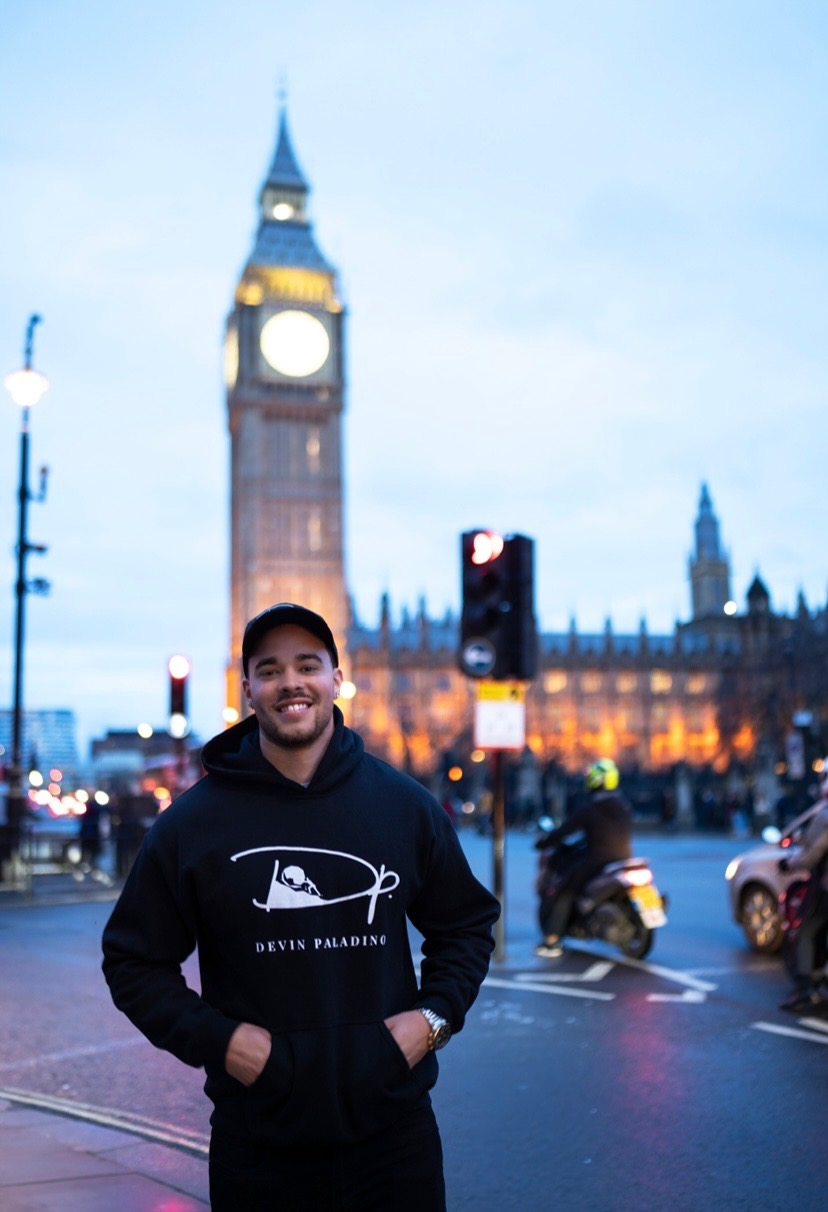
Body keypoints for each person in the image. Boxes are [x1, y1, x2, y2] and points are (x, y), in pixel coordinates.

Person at [102, 603, 499, 1211]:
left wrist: (434, 1019)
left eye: (307, 666)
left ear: (336, 679)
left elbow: (466, 925)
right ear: (248, 689)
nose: (291, 682)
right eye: (270, 670)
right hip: (259, 1145)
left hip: (394, 1138)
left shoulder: (403, 805)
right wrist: (221, 1040)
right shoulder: (193, 824)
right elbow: (133, 961)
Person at [534, 757, 633, 958]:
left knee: (564, 890)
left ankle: (552, 940)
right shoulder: (623, 806)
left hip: (597, 862)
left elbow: (565, 830)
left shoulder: (591, 807)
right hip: (623, 860)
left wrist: (544, 841)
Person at [778, 762, 828, 1014]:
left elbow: (811, 854)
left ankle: (806, 990)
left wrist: (789, 864)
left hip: (824, 889)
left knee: (806, 930)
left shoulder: (825, 815)